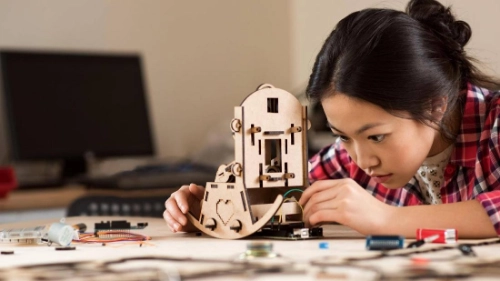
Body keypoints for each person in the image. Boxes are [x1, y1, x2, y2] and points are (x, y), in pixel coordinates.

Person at [164, 0, 500, 238]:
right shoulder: (349, 157)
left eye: (377, 136)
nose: (362, 160)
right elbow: (282, 199)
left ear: (435, 106)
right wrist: (213, 213)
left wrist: (388, 219)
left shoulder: (495, 123)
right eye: (342, 136)